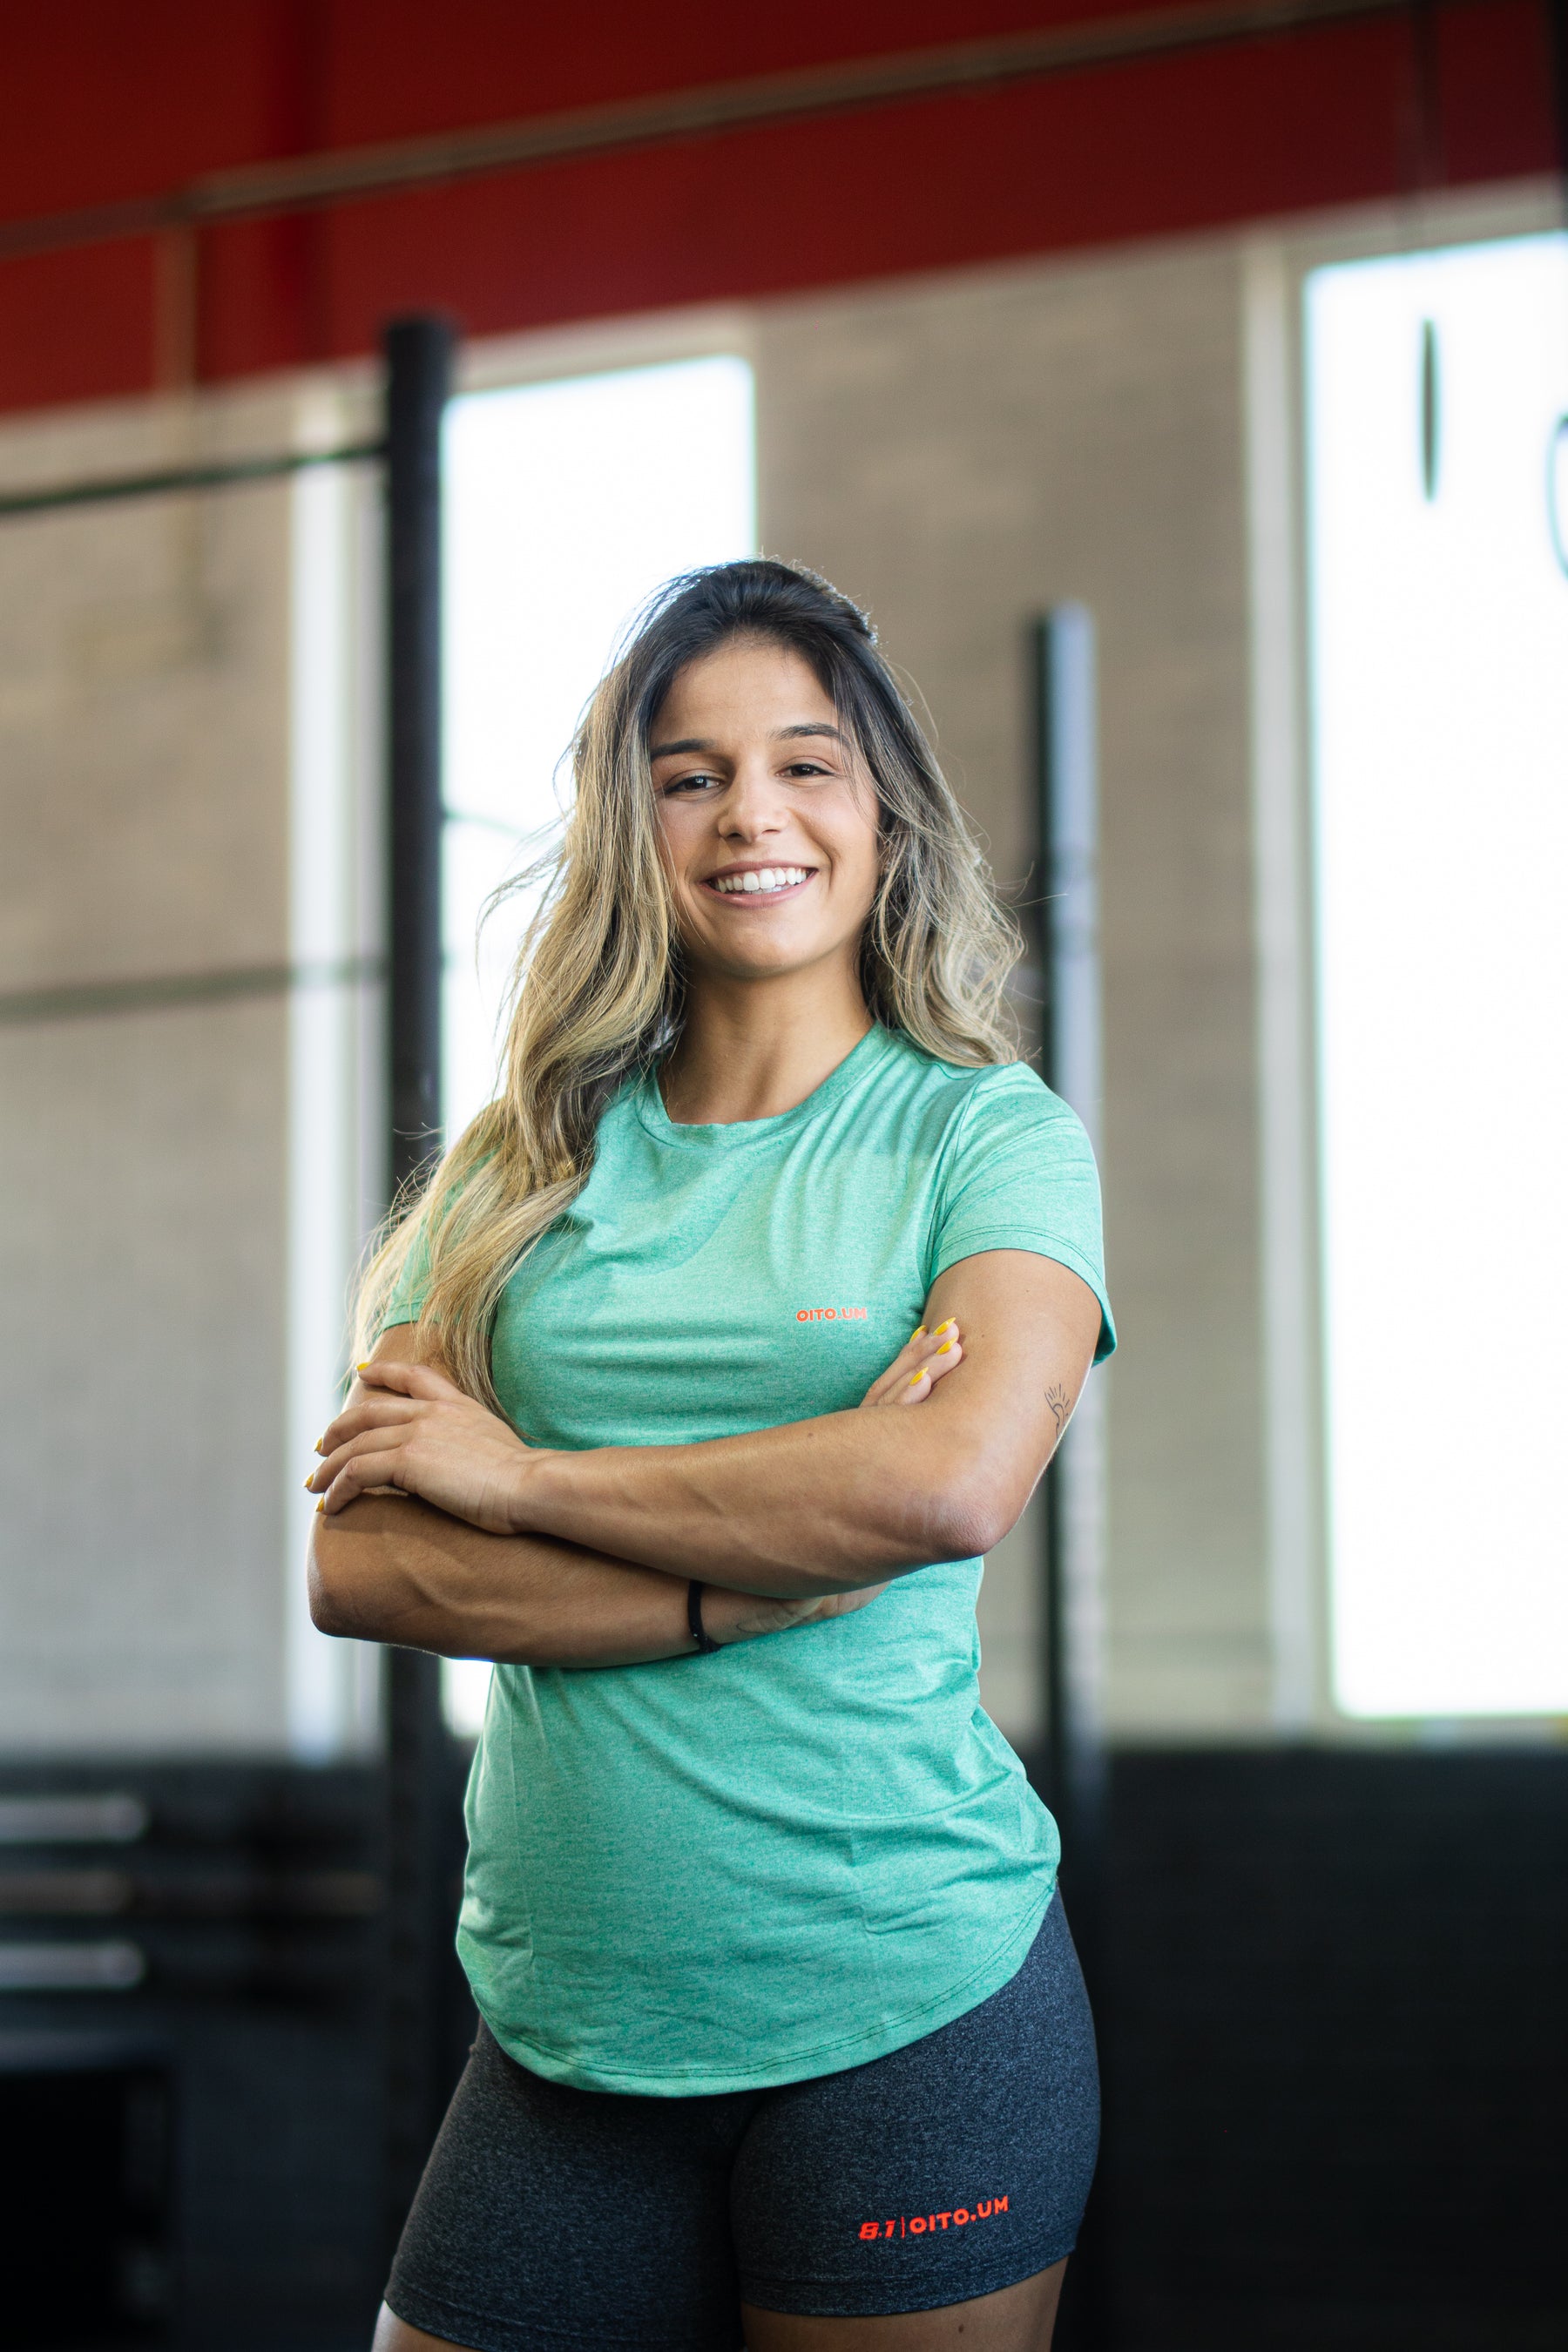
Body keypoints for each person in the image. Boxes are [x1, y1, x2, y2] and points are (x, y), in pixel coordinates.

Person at [308, 559, 1115, 2352]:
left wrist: (515, 1485)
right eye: (691, 773)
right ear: (633, 824)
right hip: (564, 2023)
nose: (753, 811)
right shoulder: (519, 1174)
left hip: (910, 1998)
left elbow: (941, 1488)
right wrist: (742, 1581)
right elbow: (357, 1562)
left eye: (806, 763)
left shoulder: (984, 1140)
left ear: (882, 811)